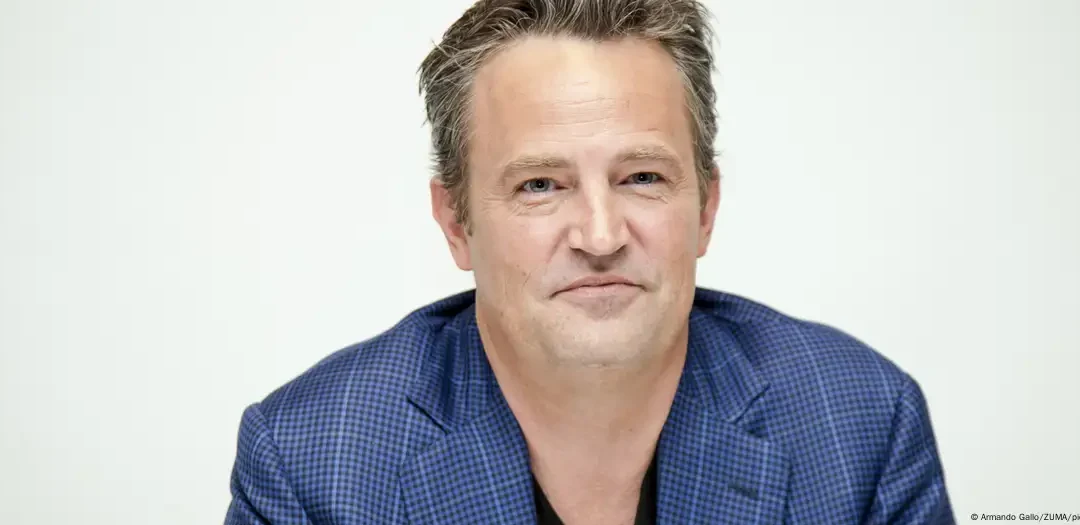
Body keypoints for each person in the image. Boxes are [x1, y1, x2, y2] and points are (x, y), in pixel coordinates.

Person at [224, 0, 955, 523]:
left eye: (642, 176)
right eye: (540, 185)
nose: (601, 236)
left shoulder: (860, 422)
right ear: (455, 222)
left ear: (705, 208)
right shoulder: (312, 463)